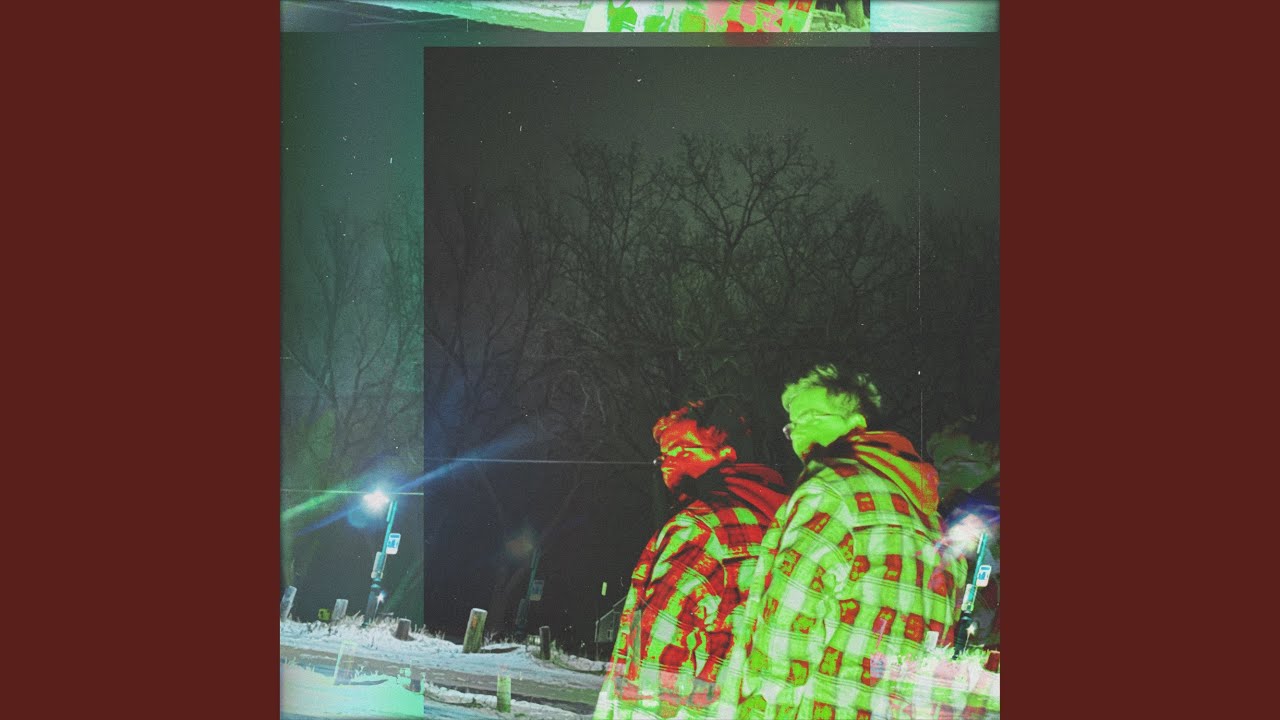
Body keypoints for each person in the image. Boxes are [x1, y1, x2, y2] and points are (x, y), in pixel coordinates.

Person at [716, 364, 972, 720]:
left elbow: (789, 623)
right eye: (792, 424)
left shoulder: (831, 490)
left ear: (857, 423)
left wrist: (761, 710)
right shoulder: (929, 518)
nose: (797, 432)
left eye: (812, 416)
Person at [594, 399, 790, 720]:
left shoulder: (698, 529)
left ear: (727, 453)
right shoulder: (792, 527)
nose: (669, 465)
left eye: (683, 451)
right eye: (665, 455)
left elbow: (656, 662)